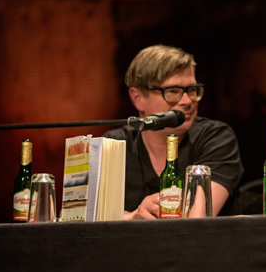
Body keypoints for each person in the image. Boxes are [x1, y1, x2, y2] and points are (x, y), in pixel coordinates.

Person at [104, 44, 243, 219]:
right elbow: (87, 217)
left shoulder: (216, 138)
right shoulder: (113, 145)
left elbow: (197, 220)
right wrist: (134, 217)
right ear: (138, 98)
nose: (187, 101)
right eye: (172, 91)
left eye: (191, 90)